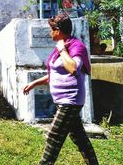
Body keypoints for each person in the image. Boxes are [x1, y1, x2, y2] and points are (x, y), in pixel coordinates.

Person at [23, 14, 98, 165]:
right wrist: (34, 84)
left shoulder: (76, 46)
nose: (50, 33)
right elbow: (54, 75)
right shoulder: (60, 49)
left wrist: (63, 50)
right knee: (79, 137)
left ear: (59, 30)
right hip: (62, 100)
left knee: (54, 135)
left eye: (52, 30)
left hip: (71, 99)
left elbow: (73, 68)